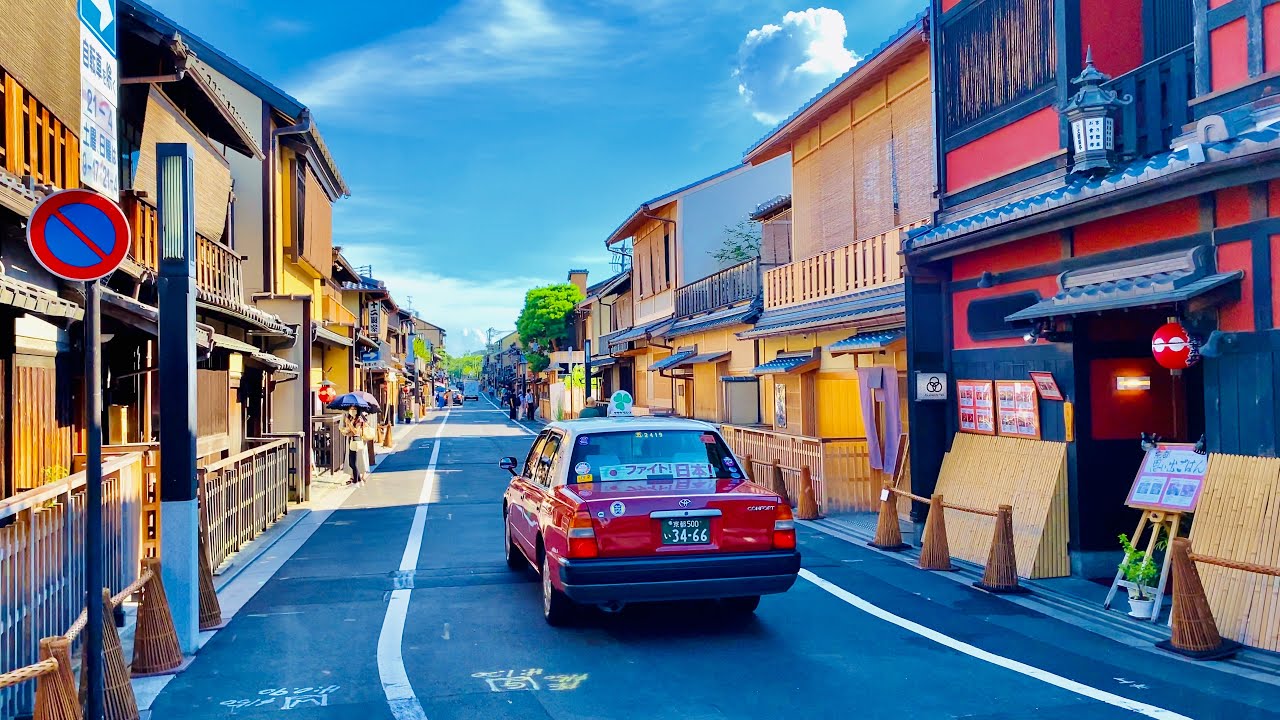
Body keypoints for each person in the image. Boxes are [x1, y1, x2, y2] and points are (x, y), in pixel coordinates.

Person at [340, 407, 367, 486]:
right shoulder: (352, 418)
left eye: (354, 409)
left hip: (356, 441)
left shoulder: (359, 419)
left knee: (353, 463)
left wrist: (349, 423)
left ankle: (356, 481)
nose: (352, 410)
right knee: (351, 462)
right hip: (351, 441)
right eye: (351, 409)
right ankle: (358, 479)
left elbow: (355, 431)